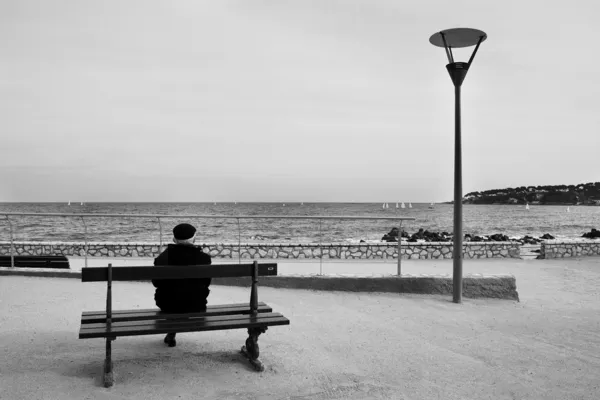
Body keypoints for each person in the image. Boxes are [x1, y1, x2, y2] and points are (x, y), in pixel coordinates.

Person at [152, 223, 212, 347]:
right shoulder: (204, 258)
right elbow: (206, 282)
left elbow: (156, 282)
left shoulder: (162, 258)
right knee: (185, 295)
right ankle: (171, 333)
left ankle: (171, 333)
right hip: (197, 304)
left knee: (174, 296)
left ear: (174, 239)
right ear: (193, 239)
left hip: (167, 305)